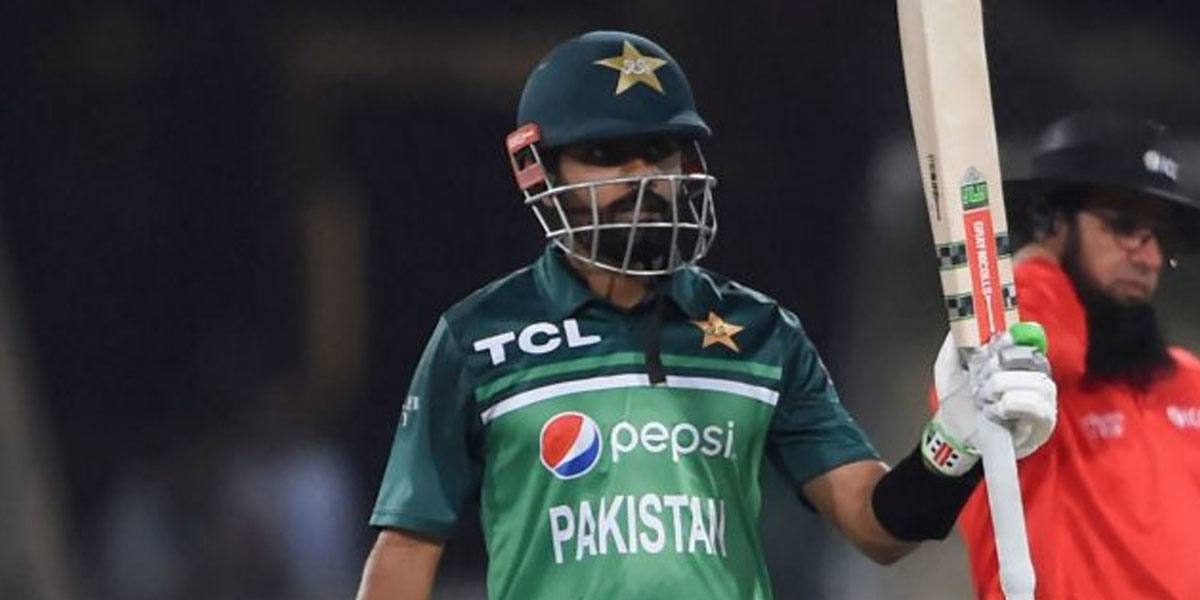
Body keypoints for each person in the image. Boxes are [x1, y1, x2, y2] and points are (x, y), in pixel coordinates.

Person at [354, 30, 1057, 600]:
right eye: (604, 154)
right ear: (539, 170)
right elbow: (408, 546)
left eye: (658, 150)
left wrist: (953, 443)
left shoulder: (760, 334)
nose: (642, 177)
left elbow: (876, 527)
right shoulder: (480, 337)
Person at [959, 110, 1200, 599]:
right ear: (1051, 220)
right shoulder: (1012, 379)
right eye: (1125, 225)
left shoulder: (1190, 382)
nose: (1151, 258)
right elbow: (1031, 345)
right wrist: (1040, 258)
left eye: (1162, 237)